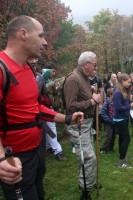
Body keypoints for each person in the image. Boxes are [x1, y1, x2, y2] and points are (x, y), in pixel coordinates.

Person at [0, 15, 83, 200]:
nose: (45, 42)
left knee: (39, 193)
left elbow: (35, 107)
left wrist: (67, 118)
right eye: (41, 36)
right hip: (15, 158)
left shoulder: (29, 69)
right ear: (23, 34)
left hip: (37, 150)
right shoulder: (2, 69)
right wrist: (1, 160)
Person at [63, 51, 101, 200]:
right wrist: (92, 101)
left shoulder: (84, 77)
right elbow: (71, 107)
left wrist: (90, 94)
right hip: (78, 124)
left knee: (84, 157)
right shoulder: (73, 79)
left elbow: (81, 97)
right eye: (95, 64)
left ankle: (86, 183)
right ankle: (85, 191)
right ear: (86, 64)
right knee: (89, 158)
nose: (96, 68)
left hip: (87, 123)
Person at [42, 63, 67, 161]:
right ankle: (58, 151)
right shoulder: (42, 77)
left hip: (49, 107)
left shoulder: (49, 80)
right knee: (51, 130)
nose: (54, 73)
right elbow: (45, 72)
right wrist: (48, 70)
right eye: (53, 71)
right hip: (44, 108)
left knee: (48, 129)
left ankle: (49, 147)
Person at [113, 74, 133, 168]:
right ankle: (122, 162)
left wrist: (130, 103)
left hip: (124, 118)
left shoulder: (124, 91)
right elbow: (118, 108)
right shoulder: (117, 92)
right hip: (120, 119)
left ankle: (122, 157)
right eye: (128, 82)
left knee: (122, 138)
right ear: (122, 81)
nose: (129, 84)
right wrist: (130, 106)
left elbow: (124, 103)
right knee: (127, 138)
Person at [100, 88, 115, 154]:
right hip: (108, 122)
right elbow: (102, 113)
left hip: (114, 121)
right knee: (108, 135)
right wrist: (108, 120)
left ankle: (111, 147)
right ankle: (104, 149)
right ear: (110, 95)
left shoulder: (115, 102)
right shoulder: (106, 103)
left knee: (113, 135)